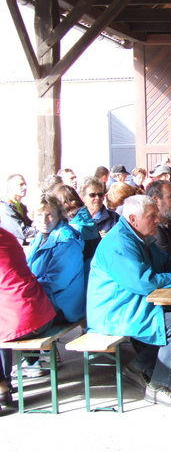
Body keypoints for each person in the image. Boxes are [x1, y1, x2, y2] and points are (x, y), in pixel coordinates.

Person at [86, 195, 171, 407]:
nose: (158, 220)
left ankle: (140, 366)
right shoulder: (119, 244)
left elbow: (166, 264)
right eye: (151, 216)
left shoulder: (140, 236)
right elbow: (144, 282)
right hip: (114, 311)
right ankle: (160, 386)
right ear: (133, 219)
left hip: (133, 302)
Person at [0, 222, 57, 406]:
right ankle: (4, 384)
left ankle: (3, 386)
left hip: (23, 319)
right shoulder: (6, 236)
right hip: (41, 311)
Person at [26, 195, 85, 323]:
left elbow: (56, 281)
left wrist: (27, 292)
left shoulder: (66, 241)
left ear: (59, 215)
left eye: (49, 215)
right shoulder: (39, 237)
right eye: (39, 215)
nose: (44, 220)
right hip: (44, 298)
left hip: (61, 307)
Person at [0, 174, 36, 244]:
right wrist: (42, 229)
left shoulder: (22, 207)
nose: (25, 187)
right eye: (21, 184)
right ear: (10, 187)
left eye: (25, 184)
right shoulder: (4, 207)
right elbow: (22, 232)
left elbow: (30, 226)